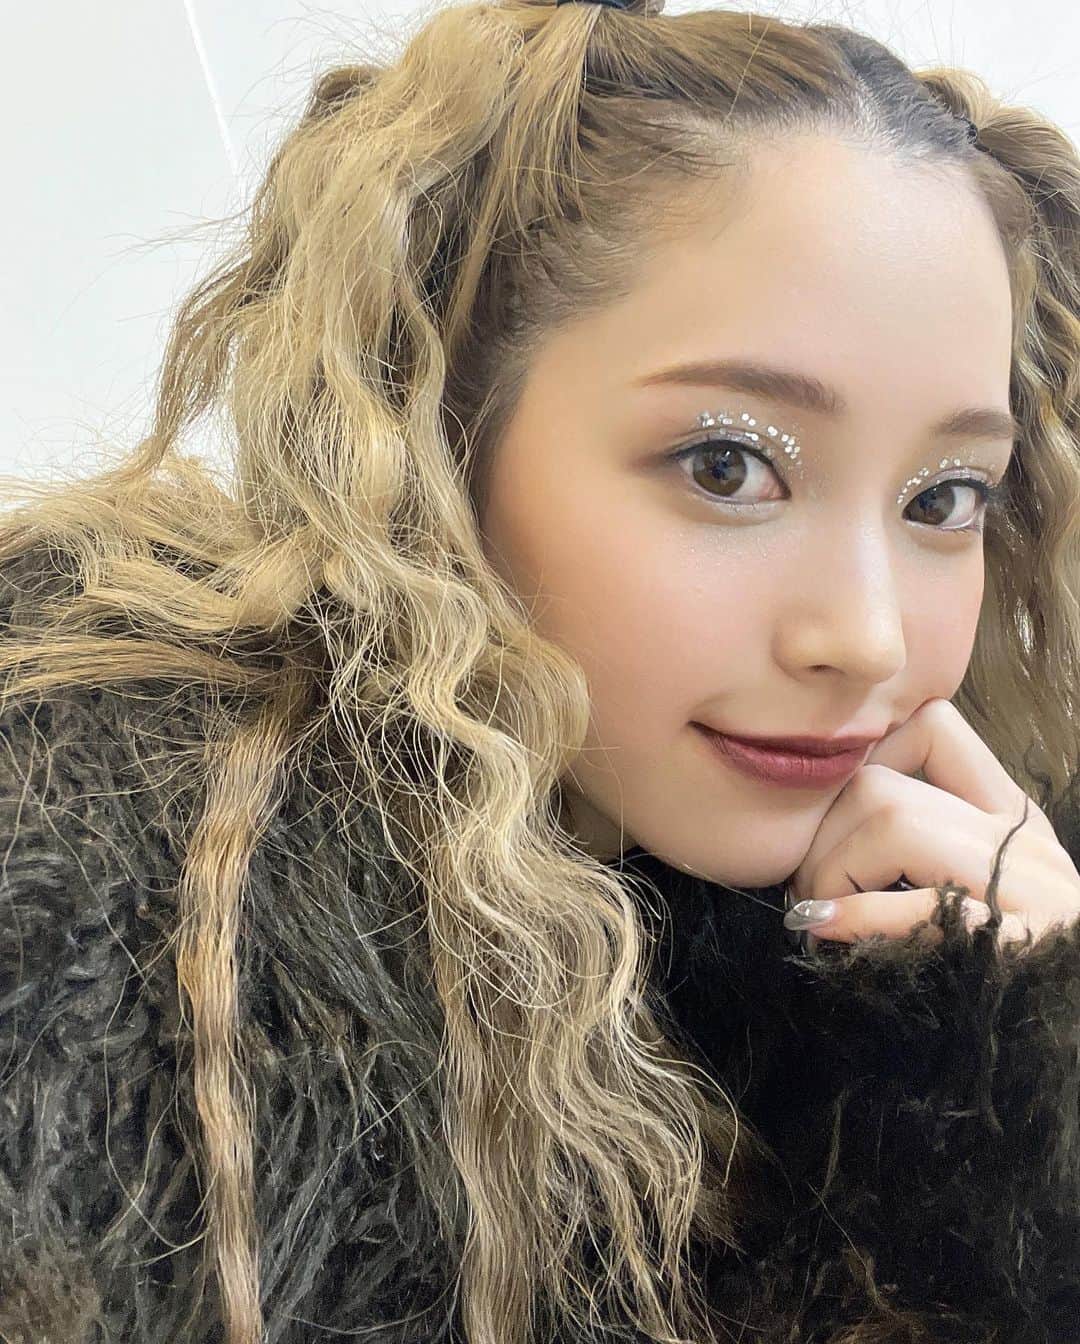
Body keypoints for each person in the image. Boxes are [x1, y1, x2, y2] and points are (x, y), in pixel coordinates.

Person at [1, 1, 1079, 1341]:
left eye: (945, 496)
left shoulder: (960, 903)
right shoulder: (155, 936)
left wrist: (1017, 1073)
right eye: (727, 465)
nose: (866, 640)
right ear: (444, 431)